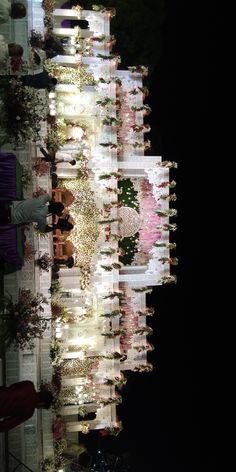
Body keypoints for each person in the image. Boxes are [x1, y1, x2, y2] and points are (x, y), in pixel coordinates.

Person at [0, 194, 64, 231]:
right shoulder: (41, 219)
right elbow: (43, 229)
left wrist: (54, 204)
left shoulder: (41, 200)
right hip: (8, 217)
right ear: (54, 213)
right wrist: (56, 227)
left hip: (7, 205)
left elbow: (48, 197)